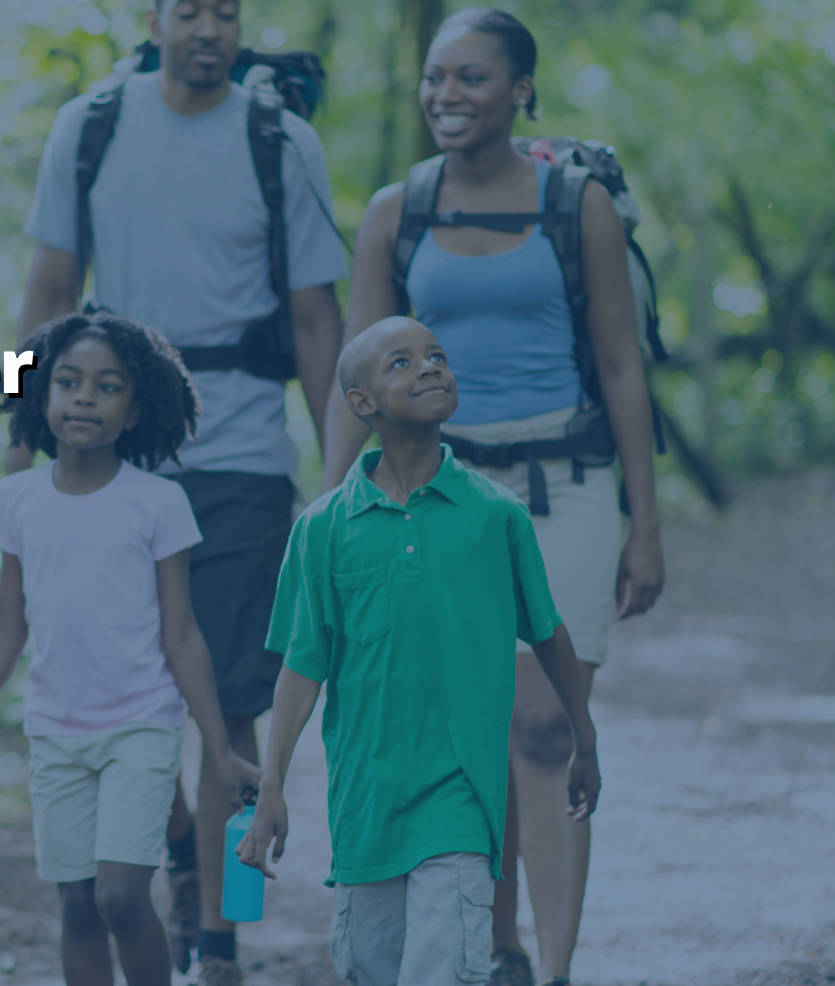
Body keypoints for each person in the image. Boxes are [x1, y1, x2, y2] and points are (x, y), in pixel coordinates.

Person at [15, 0, 348, 984]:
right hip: (114, 461)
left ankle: (226, 930)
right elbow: (48, 299)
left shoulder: (279, 142)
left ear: (242, 27)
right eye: (191, 10)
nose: (210, 28)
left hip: (245, 452)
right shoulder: (92, 129)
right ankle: (177, 859)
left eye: (228, 12)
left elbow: (314, 321)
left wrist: (338, 479)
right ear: (155, 20)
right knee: (123, 696)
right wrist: (26, 451)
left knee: (234, 709)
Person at [320, 8, 665, 986]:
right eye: (436, 78)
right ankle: (495, 949)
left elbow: (620, 367)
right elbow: (357, 374)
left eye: (472, 79)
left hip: (568, 485)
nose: (447, 97)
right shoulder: (398, 210)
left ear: (521, 90)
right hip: (439, 494)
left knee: (546, 724)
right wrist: (331, 510)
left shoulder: (576, 204)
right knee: (466, 730)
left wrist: (649, 521)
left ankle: (553, 966)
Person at [238, 316, 600, 986]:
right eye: (401, 362)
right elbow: (301, 666)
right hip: (366, 804)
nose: (429, 367)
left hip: (461, 797)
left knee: (442, 971)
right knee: (371, 966)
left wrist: (586, 737)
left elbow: (548, 633)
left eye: (435, 355)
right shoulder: (321, 530)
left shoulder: (496, 517)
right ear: (362, 404)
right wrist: (273, 784)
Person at [0, 311, 262, 986]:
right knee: (77, 907)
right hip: (56, 732)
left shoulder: (158, 504)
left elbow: (182, 634)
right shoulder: (16, 500)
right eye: (68, 382)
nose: (83, 398)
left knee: (121, 897)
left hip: (140, 725)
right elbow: (6, 630)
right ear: (42, 397)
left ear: (134, 412)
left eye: (107, 387)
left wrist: (218, 750)